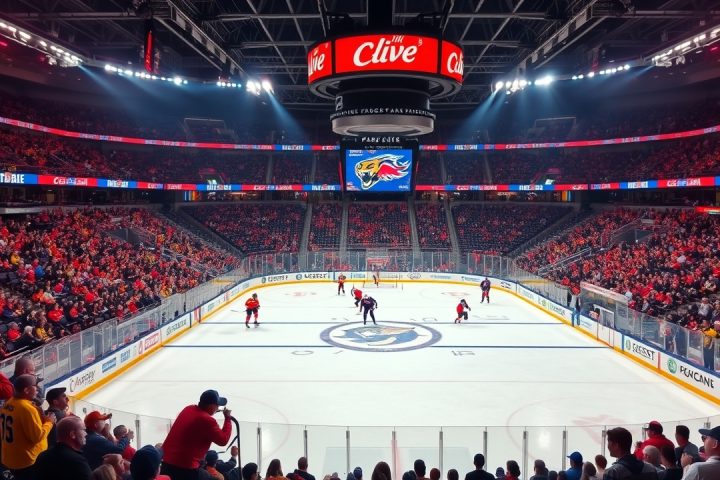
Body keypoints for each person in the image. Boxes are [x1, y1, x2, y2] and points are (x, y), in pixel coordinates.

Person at [161, 389, 233, 480]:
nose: (218, 407)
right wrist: (227, 418)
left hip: (165, 463)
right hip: (184, 469)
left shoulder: (188, 409)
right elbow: (223, 440)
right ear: (211, 406)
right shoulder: (207, 420)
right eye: (217, 405)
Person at [0, 374, 55, 479]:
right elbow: (37, 437)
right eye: (35, 386)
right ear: (26, 390)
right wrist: (49, 422)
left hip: (12, 459)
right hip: (27, 462)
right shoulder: (27, 409)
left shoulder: (8, 403)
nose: (37, 389)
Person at [34, 416, 92, 480]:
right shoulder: (77, 461)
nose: (86, 434)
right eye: (83, 430)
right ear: (72, 434)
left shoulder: (42, 456)